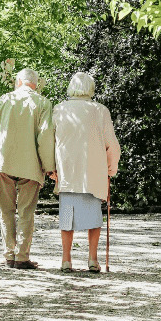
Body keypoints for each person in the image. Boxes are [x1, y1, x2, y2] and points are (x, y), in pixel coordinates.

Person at [0, 68, 55, 269]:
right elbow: (46, 136)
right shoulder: (43, 103)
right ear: (36, 84)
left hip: (3, 162)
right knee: (26, 212)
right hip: (31, 165)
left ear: (18, 82)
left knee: (6, 211)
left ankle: (9, 255)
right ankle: (21, 257)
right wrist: (49, 167)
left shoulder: (4, 100)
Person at [49, 72, 120, 273]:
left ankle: (66, 260)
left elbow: (50, 141)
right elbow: (112, 144)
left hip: (67, 170)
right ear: (91, 88)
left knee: (66, 217)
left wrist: (51, 167)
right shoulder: (100, 111)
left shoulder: (59, 109)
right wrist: (110, 169)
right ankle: (92, 259)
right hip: (93, 172)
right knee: (94, 217)